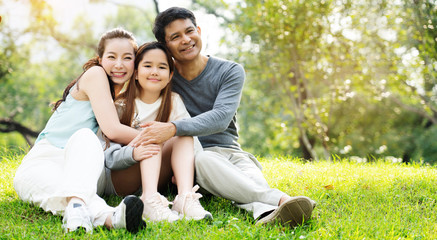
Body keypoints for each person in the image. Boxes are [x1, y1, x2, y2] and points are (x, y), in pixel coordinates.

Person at [134, 7, 317, 228]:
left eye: (189, 31)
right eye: (175, 37)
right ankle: (281, 199)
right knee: (204, 160)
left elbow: (221, 118)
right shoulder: (163, 77)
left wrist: (173, 128)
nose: (186, 40)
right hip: (197, 157)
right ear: (165, 46)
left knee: (250, 179)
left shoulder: (230, 71)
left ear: (199, 31)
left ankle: (267, 213)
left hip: (233, 153)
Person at [13, 28, 148, 234]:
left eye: (127, 58)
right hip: (46, 160)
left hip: (84, 168)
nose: (119, 64)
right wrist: (155, 136)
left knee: (78, 179)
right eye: (111, 57)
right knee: (83, 139)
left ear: (134, 64)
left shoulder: (120, 99)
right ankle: (106, 216)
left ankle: (93, 214)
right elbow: (112, 130)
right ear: (100, 59)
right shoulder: (95, 74)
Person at [98, 41, 212, 223]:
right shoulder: (120, 106)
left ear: (170, 75)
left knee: (181, 131)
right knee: (154, 134)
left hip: (158, 175)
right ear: (135, 73)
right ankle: (149, 200)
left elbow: (191, 143)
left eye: (162, 67)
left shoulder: (174, 101)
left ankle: (184, 198)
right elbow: (106, 156)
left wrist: (185, 170)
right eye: (148, 66)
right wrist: (133, 153)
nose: (154, 72)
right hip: (121, 176)